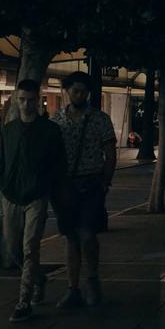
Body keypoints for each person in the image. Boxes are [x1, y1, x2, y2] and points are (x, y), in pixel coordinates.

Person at [0, 79, 68, 322]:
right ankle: (39, 278)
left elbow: (59, 165)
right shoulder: (9, 130)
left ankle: (23, 301)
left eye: (31, 100)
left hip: (37, 196)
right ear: (17, 99)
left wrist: (47, 188)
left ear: (39, 99)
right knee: (14, 248)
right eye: (22, 99)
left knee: (29, 248)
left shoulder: (49, 131)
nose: (26, 105)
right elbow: (1, 161)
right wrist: (3, 184)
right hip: (12, 196)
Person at [51, 71, 117, 308]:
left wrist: (105, 181)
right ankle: (73, 288)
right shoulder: (56, 120)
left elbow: (110, 153)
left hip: (91, 183)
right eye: (75, 90)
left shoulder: (99, 119)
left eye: (83, 91)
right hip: (65, 185)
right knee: (70, 237)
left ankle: (92, 281)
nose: (79, 95)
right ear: (67, 91)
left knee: (87, 234)